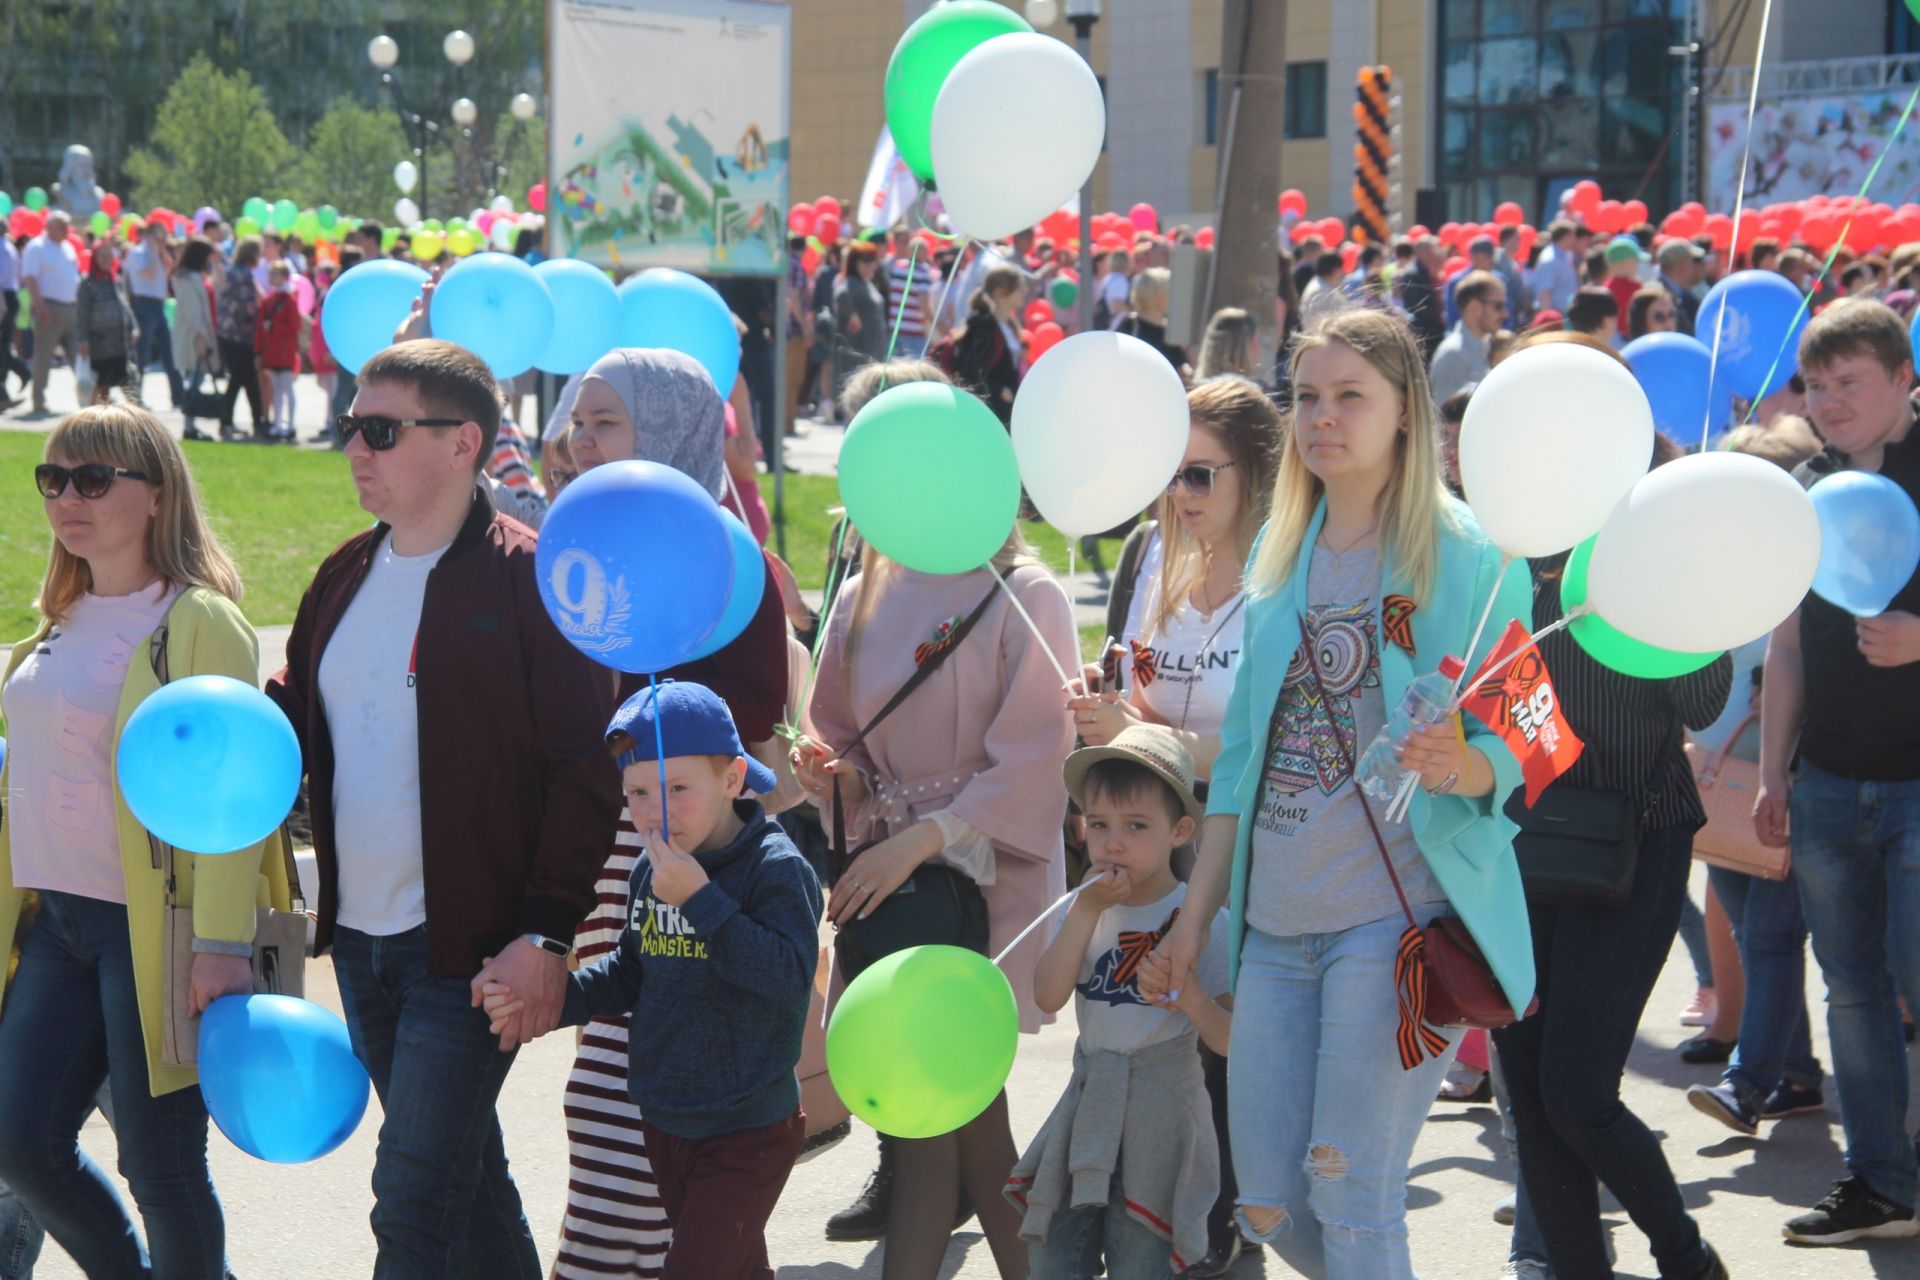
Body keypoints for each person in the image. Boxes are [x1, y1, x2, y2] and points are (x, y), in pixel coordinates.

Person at [1141, 307, 1536, 1279]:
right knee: (1270, 1204)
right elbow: (1237, 759)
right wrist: (1195, 920)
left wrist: (1464, 762)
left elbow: (1527, 736)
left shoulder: (1475, 557)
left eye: (1350, 394)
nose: (1323, 415)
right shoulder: (1280, 553)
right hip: (1271, 929)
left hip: (1392, 930)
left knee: (1355, 1192)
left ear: (1405, 410)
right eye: (1308, 394)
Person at [265, 339, 620, 1276]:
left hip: (470, 955)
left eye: (380, 430)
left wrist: (545, 936)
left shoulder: (535, 581)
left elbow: (587, 772)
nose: (355, 448)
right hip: (361, 944)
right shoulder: (343, 574)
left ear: (463, 443)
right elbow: (296, 712)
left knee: (412, 1203)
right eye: (351, 427)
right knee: (467, 1180)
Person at [0, 404, 292, 1277]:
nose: (67, 499)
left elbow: (239, 796)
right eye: (54, 479)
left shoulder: (201, 624)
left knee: (161, 1166)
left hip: (155, 932)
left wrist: (218, 941)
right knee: (18, 1143)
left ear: (156, 494)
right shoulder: (56, 621)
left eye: (94, 479)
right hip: (55, 923)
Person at [1491, 333, 1733, 1280]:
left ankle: (1687, 1260)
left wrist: (1673, 601)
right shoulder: (1497, 538)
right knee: (1530, 1094)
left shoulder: (1650, 529)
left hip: (1634, 835)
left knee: (1578, 1092)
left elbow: (1704, 704)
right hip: (1513, 839)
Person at [555, 347, 795, 1280]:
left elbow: (749, 724)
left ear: (671, 432)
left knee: (651, 1104)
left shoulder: (738, 570)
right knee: (623, 1101)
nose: (582, 440)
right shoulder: (572, 553)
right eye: (577, 420)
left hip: (683, 853)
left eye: (606, 421)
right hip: (612, 851)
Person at [797, 496, 1076, 1279]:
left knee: (955, 1106)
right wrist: (835, 773)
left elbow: (1036, 757)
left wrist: (922, 839)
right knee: (939, 1113)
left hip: (978, 881)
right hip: (893, 884)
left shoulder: (1028, 592)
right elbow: (839, 737)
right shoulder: (862, 592)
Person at [480, 682, 823, 1280]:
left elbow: (787, 977)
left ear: (734, 778)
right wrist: (551, 1000)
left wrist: (701, 900)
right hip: (667, 1120)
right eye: (637, 793)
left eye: (678, 788)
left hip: (747, 1130)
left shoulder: (774, 869)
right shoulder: (651, 867)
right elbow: (631, 974)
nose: (655, 810)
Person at [1063, 374, 1282, 1277]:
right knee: (1159, 1068)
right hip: (1155, 857)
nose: (1180, 496)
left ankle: (1228, 1246)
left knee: (1225, 1071)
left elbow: (1264, 743)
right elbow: (1144, 698)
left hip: (1253, 857)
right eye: (1169, 475)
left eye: (1200, 475)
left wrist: (1146, 736)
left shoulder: (1286, 575)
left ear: (1256, 476)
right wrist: (1106, 708)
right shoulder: (1154, 556)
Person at [1755, 298, 1920, 1245]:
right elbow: (1787, 647)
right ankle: (1879, 1186)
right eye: (1815, 384)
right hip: (1826, 783)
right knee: (1851, 990)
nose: (1828, 400)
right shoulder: (1804, 487)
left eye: (1848, 381)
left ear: (1903, 378)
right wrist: (1775, 769)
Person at [1011, 727, 1233, 1278]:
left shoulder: (1199, 919)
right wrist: (1084, 914)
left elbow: (1230, 1037)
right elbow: (1046, 995)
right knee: (1055, 1253)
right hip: (1088, 1100)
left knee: (1142, 1256)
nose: (1113, 843)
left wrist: (1189, 996)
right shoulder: (1082, 908)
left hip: (1162, 1109)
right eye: (1100, 824)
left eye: (1136, 826)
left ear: (1180, 830)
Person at [950, 264, 1024, 425]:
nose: (1024, 292)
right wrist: (999, 390)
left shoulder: (1010, 324)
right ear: (1001, 292)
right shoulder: (983, 326)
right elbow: (972, 369)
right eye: (1019, 288)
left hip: (1008, 409)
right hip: (991, 410)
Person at [23, 211, 80, 416]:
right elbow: (30, 278)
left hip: (70, 307)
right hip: (49, 307)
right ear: (50, 227)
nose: (67, 230)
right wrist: (40, 306)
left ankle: (88, 393)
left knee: (78, 353)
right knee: (44, 355)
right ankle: (38, 398)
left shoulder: (68, 247)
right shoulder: (37, 247)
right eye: (62, 226)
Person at [74, 239, 141, 407]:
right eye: (101, 256)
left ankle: (136, 417)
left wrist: (134, 327)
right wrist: (83, 341)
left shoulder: (116, 281)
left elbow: (125, 306)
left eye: (109, 256)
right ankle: (95, 421)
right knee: (103, 386)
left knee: (128, 382)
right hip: (99, 346)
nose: (106, 259)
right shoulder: (86, 284)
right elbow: (81, 314)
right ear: (94, 259)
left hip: (119, 344)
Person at [124, 219, 181, 409]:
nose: (162, 238)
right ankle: (136, 397)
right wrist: (154, 249)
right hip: (144, 304)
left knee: (169, 351)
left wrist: (161, 251)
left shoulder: (158, 254)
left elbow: (167, 271)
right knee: (142, 353)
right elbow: (147, 273)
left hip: (158, 304)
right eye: (159, 234)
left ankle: (178, 397)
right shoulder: (138, 252)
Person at [214, 237, 265, 441]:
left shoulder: (229, 271)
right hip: (241, 336)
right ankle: (254, 422)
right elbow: (249, 306)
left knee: (237, 379)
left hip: (226, 334)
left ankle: (229, 420)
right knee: (247, 380)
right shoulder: (243, 275)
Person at [1429, 269, 1506, 403]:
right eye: (1499, 306)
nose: (1505, 314)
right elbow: (1446, 418)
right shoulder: (1453, 354)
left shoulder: (1483, 346)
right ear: (1474, 307)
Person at [170, 238, 219, 442]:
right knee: (194, 381)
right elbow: (192, 312)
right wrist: (201, 337)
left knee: (194, 380)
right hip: (193, 337)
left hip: (194, 334)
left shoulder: (189, 277)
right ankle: (189, 425)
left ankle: (190, 424)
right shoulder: (187, 279)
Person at [833, 241, 889, 402]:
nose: (871, 264)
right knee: (859, 397)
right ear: (855, 263)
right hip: (858, 351)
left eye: (873, 260)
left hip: (873, 351)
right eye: (866, 260)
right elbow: (841, 295)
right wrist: (851, 314)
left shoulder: (867, 284)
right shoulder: (852, 282)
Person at [254, 261, 301, 441]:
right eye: (271, 274)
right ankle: (277, 423)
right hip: (271, 351)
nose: (273, 278)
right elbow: (260, 327)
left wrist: (274, 326)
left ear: (284, 277)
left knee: (286, 388)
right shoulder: (268, 300)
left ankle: (290, 424)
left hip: (285, 351)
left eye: (276, 274)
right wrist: (258, 351)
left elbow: (294, 327)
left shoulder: (290, 299)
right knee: (275, 389)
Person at [1118, 268, 1189, 375]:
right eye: (1170, 291)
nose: (1175, 296)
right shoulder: (1130, 325)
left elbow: (1181, 367)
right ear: (1156, 295)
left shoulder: (1170, 330)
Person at [1194, 308, 1262, 383]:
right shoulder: (1252, 392)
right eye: (1256, 341)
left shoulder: (1192, 391)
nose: (1259, 349)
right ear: (1244, 349)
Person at [1603, 237, 1649, 337]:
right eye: (1636, 260)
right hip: (1629, 337)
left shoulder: (1606, 285)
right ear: (1625, 263)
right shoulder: (1635, 287)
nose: (1638, 264)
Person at [1656, 240, 1703, 334]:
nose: (1694, 267)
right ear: (1682, 265)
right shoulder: (1658, 294)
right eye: (1691, 262)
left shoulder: (1681, 294)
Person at [1097, 248, 1134, 331]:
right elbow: (1117, 305)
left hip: (1105, 324)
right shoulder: (1120, 280)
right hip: (1114, 326)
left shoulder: (1108, 277)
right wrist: (1130, 311)